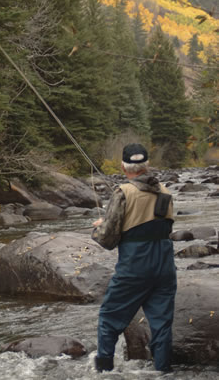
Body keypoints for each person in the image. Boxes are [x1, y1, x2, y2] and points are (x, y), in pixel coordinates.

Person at [91, 143, 176, 373]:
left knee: (109, 318)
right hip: (165, 267)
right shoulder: (166, 191)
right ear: (147, 166)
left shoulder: (123, 192)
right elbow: (155, 226)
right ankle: (163, 371)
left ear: (123, 166)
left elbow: (108, 240)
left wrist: (98, 228)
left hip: (135, 268)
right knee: (161, 324)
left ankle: (104, 371)